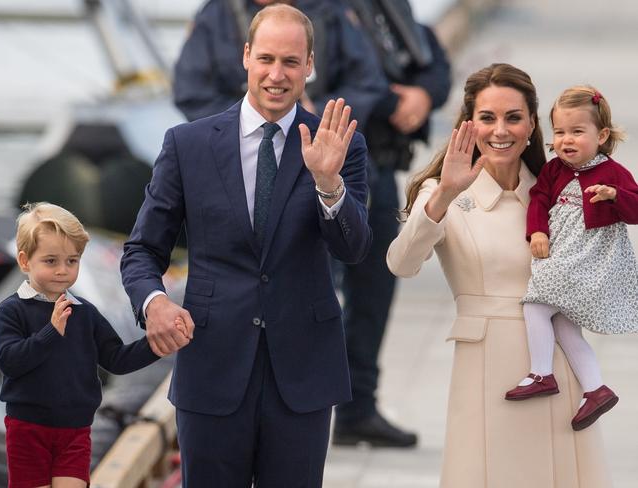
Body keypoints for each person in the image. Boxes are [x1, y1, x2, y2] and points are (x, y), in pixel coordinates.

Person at [120, 4, 371, 486]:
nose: (277, 75)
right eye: (267, 59)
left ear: (310, 65)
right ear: (246, 56)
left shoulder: (340, 144)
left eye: (291, 62)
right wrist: (153, 304)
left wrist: (328, 182)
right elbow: (142, 251)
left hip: (303, 373)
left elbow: (353, 249)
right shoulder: (186, 145)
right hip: (212, 367)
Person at [387, 64, 613, 487]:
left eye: (513, 117)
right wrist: (444, 197)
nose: (500, 131)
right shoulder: (442, 190)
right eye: (487, 118)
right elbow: (401, 263)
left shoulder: (561, 189)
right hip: (486, 367)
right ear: (468, 124)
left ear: (532, 124)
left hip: (556, 368)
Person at [332, 0, 451, 448]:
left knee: (373, 294)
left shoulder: (387, 8)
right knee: (312, 296)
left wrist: (422, 95)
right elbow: (321, 84)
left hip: (376, 168)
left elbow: (431, 58)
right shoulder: (309, 14)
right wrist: (387, 99)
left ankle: (357, 409)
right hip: (318, 168)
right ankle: (286, 412)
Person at [0, 202, 160, 488]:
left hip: (75, 430)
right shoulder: (11, 310)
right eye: (51, 261)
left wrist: (155, 346)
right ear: (24, 261)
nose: (62, 270)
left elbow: (116, 359)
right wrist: (51, 331)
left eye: (72, 261)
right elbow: (9, 361)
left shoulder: (86, 313)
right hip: (28, 430)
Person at [505, 85, 638, 430]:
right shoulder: (553, 171)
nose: (566, 140)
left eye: (577, 132)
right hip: (561, 254)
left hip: (588, 261)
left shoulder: (612, 172)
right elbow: (538, 201)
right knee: (563, 324)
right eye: (560, 132)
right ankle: (595, 388)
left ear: (602, 134)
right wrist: (537, 232)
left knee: (535, 304)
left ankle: (541, 373)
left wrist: (614, 195)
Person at [173, 0, 386, 127]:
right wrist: (254, 120)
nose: (276, 74)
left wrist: (315, 114)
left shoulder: (330, 10)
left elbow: (367, 83)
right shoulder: (214, 17)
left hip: (323, 148)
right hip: (240, 157)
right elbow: (191, 95)